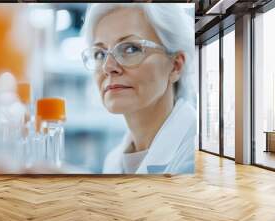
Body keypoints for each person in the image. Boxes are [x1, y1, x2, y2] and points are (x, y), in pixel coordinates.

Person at [81, 3, 196, 174]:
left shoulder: (196, 152)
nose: (108, 66)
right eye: (100, 54)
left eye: (130, 48)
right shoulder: (113, 161)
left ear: (175, 66)